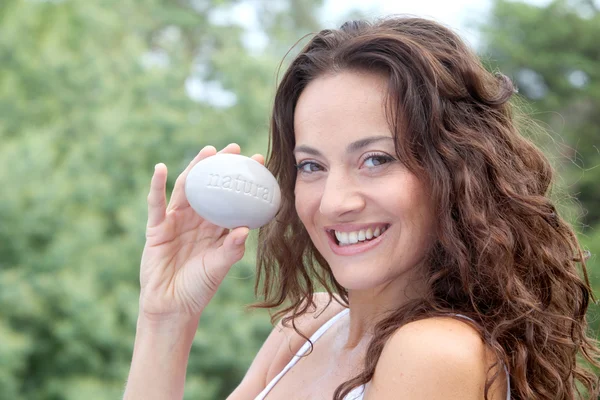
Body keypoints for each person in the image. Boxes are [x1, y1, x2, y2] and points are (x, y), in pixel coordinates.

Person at [123, 16, 600, 400]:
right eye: (311, 166)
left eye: (376, 159)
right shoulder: (314, 322)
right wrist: (166, 316)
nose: (335, 202)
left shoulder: (433, 353)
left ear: (456, 173)